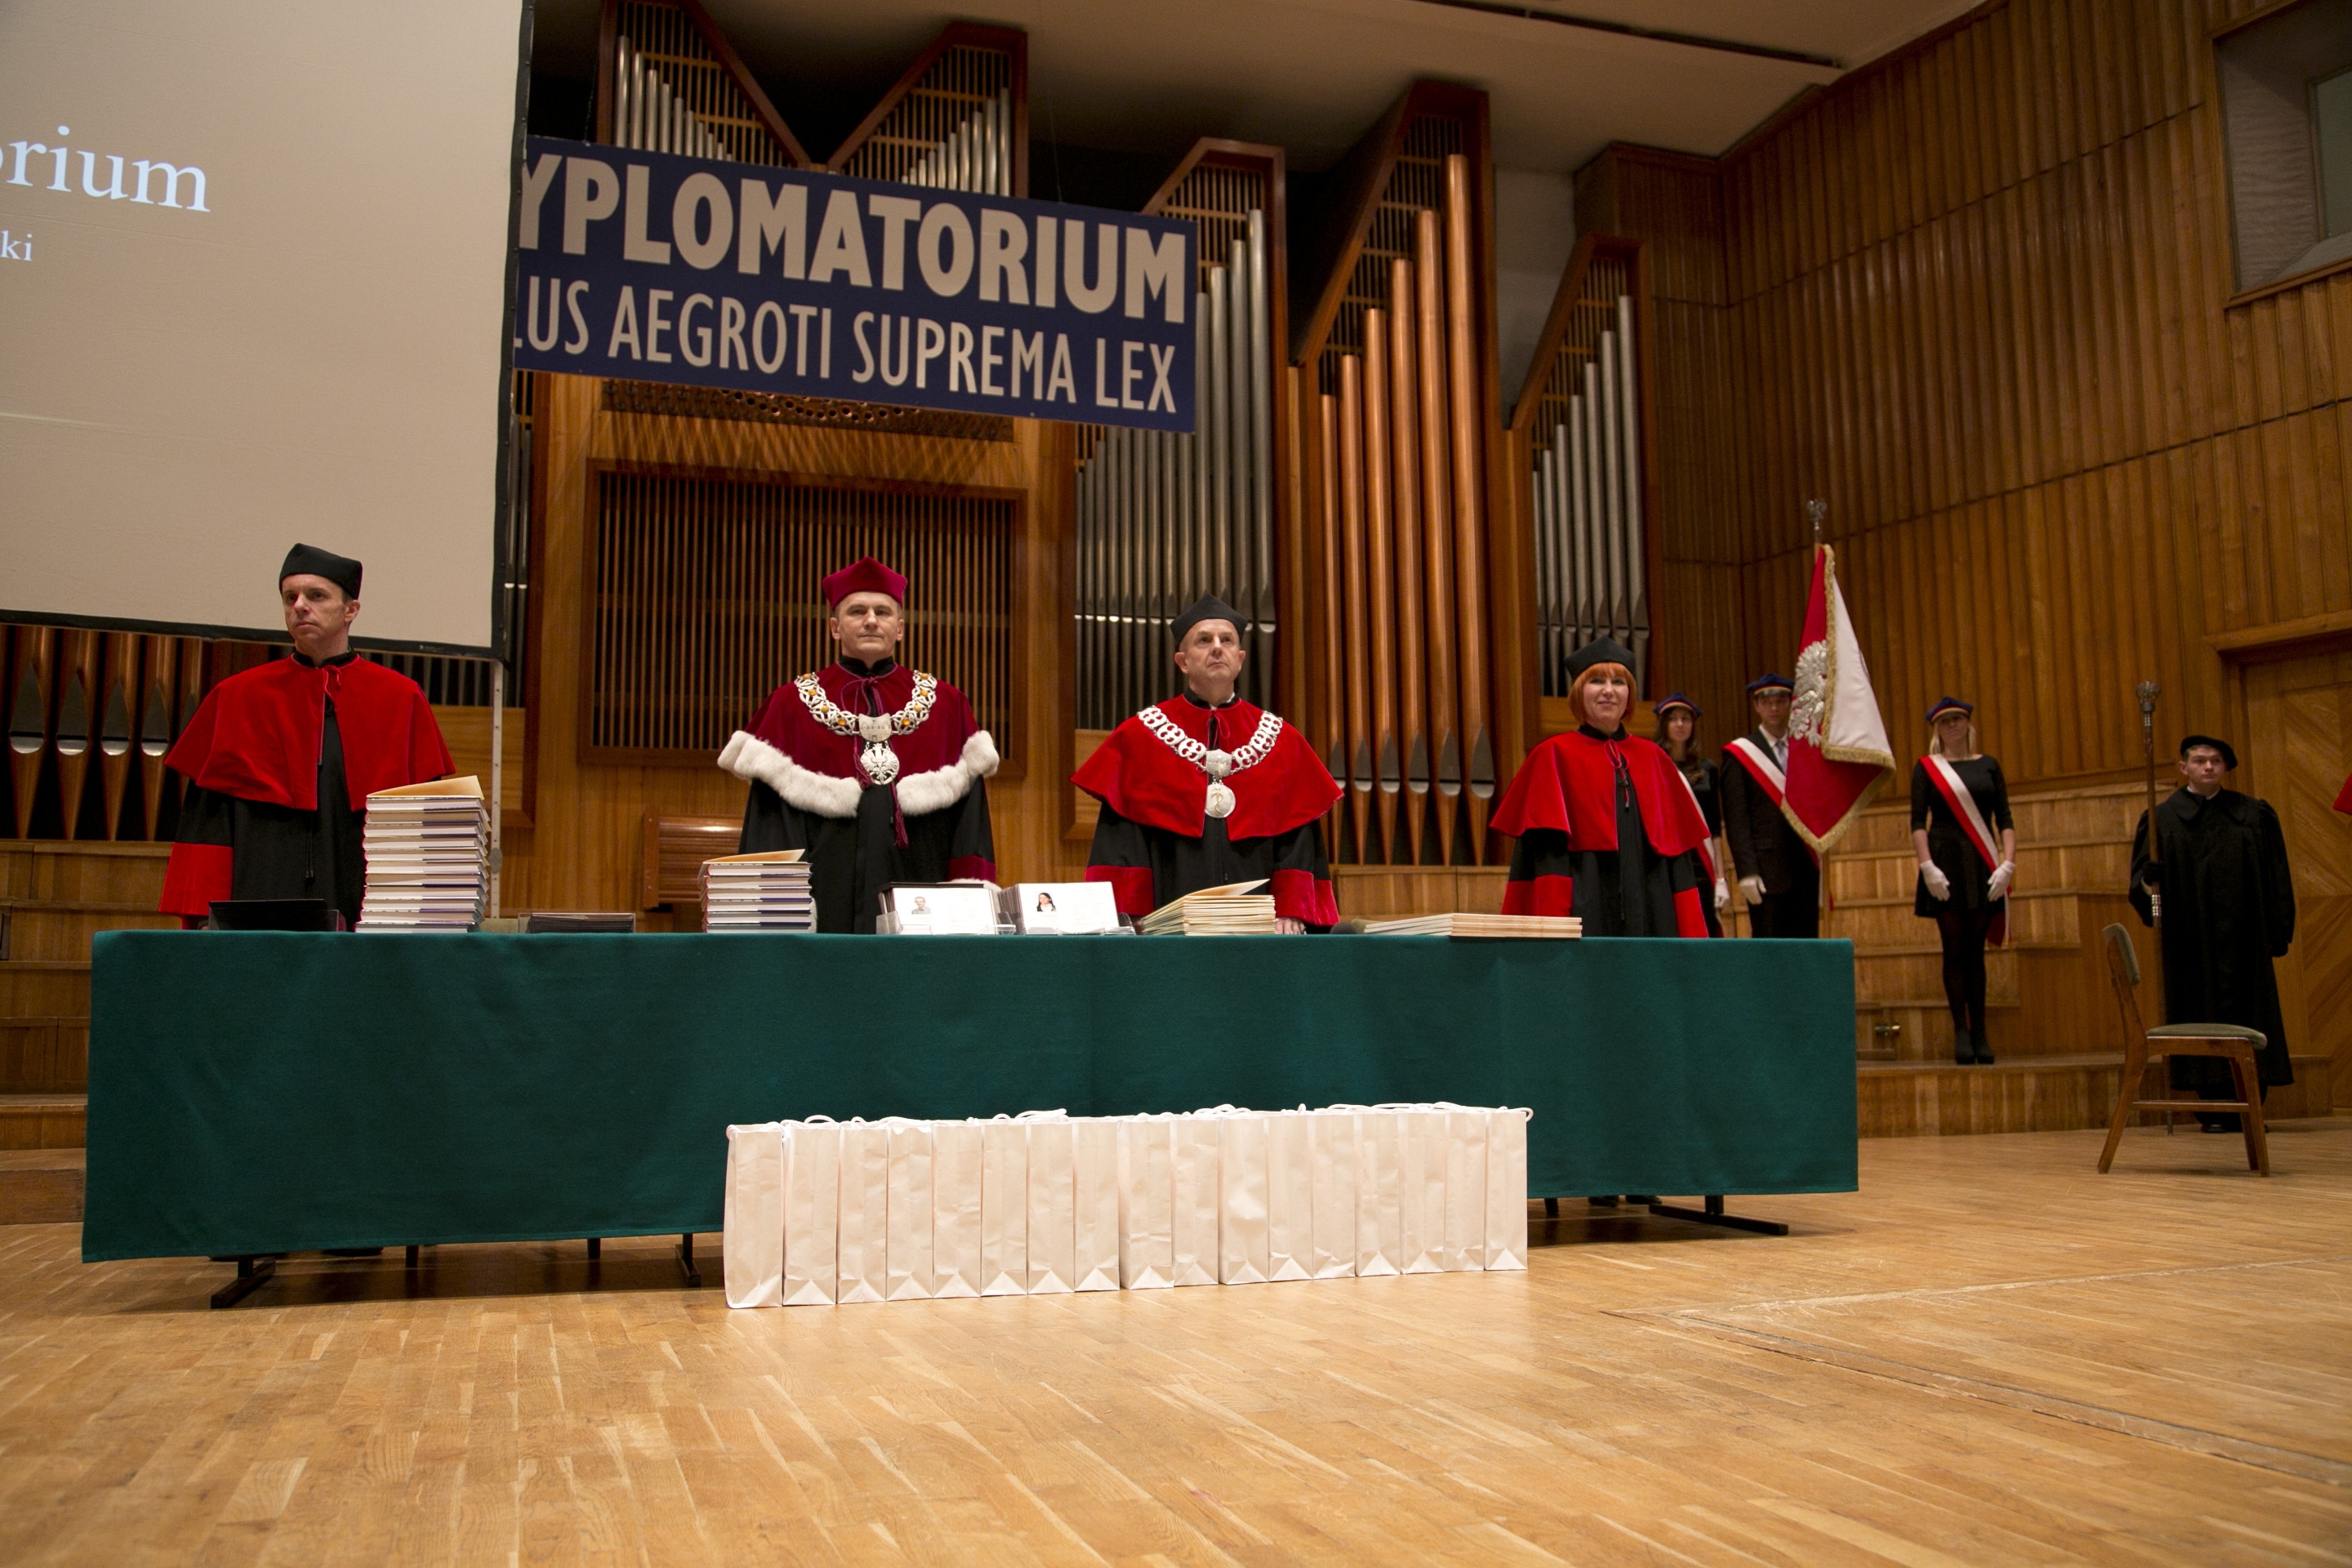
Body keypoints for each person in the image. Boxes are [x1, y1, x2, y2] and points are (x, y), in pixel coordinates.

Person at [158, 544, 452, 929]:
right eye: (290, 597)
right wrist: (200, 916)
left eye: (316, 596)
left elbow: (424, 830)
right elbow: (206, 825)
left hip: (365, 908)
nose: (300, 606)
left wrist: (425, 916)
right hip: (255, 902)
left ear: (351, 610)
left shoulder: (400, 699)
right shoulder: (236, 698)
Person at [719, 558, 998, 933]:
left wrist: (967, 906)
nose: (871, 620)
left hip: (922, 901)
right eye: (857, 611)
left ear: (899, 628)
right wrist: (780, 918)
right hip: (823, 898)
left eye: (882, 612)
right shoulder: (789, 705)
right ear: (835, 628)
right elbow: (769, 827)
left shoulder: (947, 705)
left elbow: (970, 825)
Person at [1073, 595, 1340, 930]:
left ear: (1240, 659)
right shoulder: (1139, 737)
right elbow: (1122, 840)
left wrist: (1291, 908)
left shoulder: (1282, 741)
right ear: (1183, 661)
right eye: (1204, 640)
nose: (1217, 648)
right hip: (1166, 926)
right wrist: (1131, 914)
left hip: (1262, 929)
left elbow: (1297, 836)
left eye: (1226, 640)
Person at [1490, 638, 1717, 936]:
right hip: (1584, 909)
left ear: (1629, 694)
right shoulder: (1553, 756)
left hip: (1651, 908)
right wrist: (1555, 929)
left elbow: (1678, 859)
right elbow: (1546, 858)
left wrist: (1687, 931)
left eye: (1618, 682)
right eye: (1596, 680)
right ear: (1578, 691)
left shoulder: (1655, 759)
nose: (1609, 690)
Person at [2130, 735, 2296, 1130]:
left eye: (2216, 761)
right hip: (2192, 943)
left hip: (2246, 940)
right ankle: (2213, 1110)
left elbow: (2277, 877)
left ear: (2226, 768)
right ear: (2183, 767)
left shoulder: (2252, 814)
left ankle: (2251, 1107)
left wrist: (2278, 931)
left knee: (2251, 1014)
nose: (2208, 767)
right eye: (2200, 760)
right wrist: (2150, 883)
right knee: (2199, 1012)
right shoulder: (2162, 819)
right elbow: (2148, 902)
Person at [1909, 697, 2016, 1065]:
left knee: (1976, 951)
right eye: (1945, 721)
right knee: (1953, 948)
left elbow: (2004, 818)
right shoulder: (1927, 768)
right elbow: (1917, 821)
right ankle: (1961, 1031)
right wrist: (1927, 865)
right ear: (1936, 730)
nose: (1952, 726)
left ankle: (1981, 1033)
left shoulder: (1989, 765)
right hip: (1944, 861)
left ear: (1969, 723)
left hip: (1981, 861)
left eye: (1957, 719)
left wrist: (2008, 863)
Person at [1719, 673, 1821, 938]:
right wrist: (1746, 871)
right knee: (1770, 950)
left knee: (1806, 949)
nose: (1774, 708)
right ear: (1757, 706)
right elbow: (1737, 819)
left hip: (1805, 867)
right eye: (1766, 702)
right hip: (1766, 873)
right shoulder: (1741, 754)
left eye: (1780, 701)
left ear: (1789, 704)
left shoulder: (1805, 748)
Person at [1653, 693, 1730, 917]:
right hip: (1667, 859)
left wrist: (1721, 878)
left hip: (1701, 860)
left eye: (1685, 719)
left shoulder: (1708, 768)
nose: (1680, 724)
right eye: (1673, 719)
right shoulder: (1654, 766)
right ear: (1663, 725)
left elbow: (1714, 827)